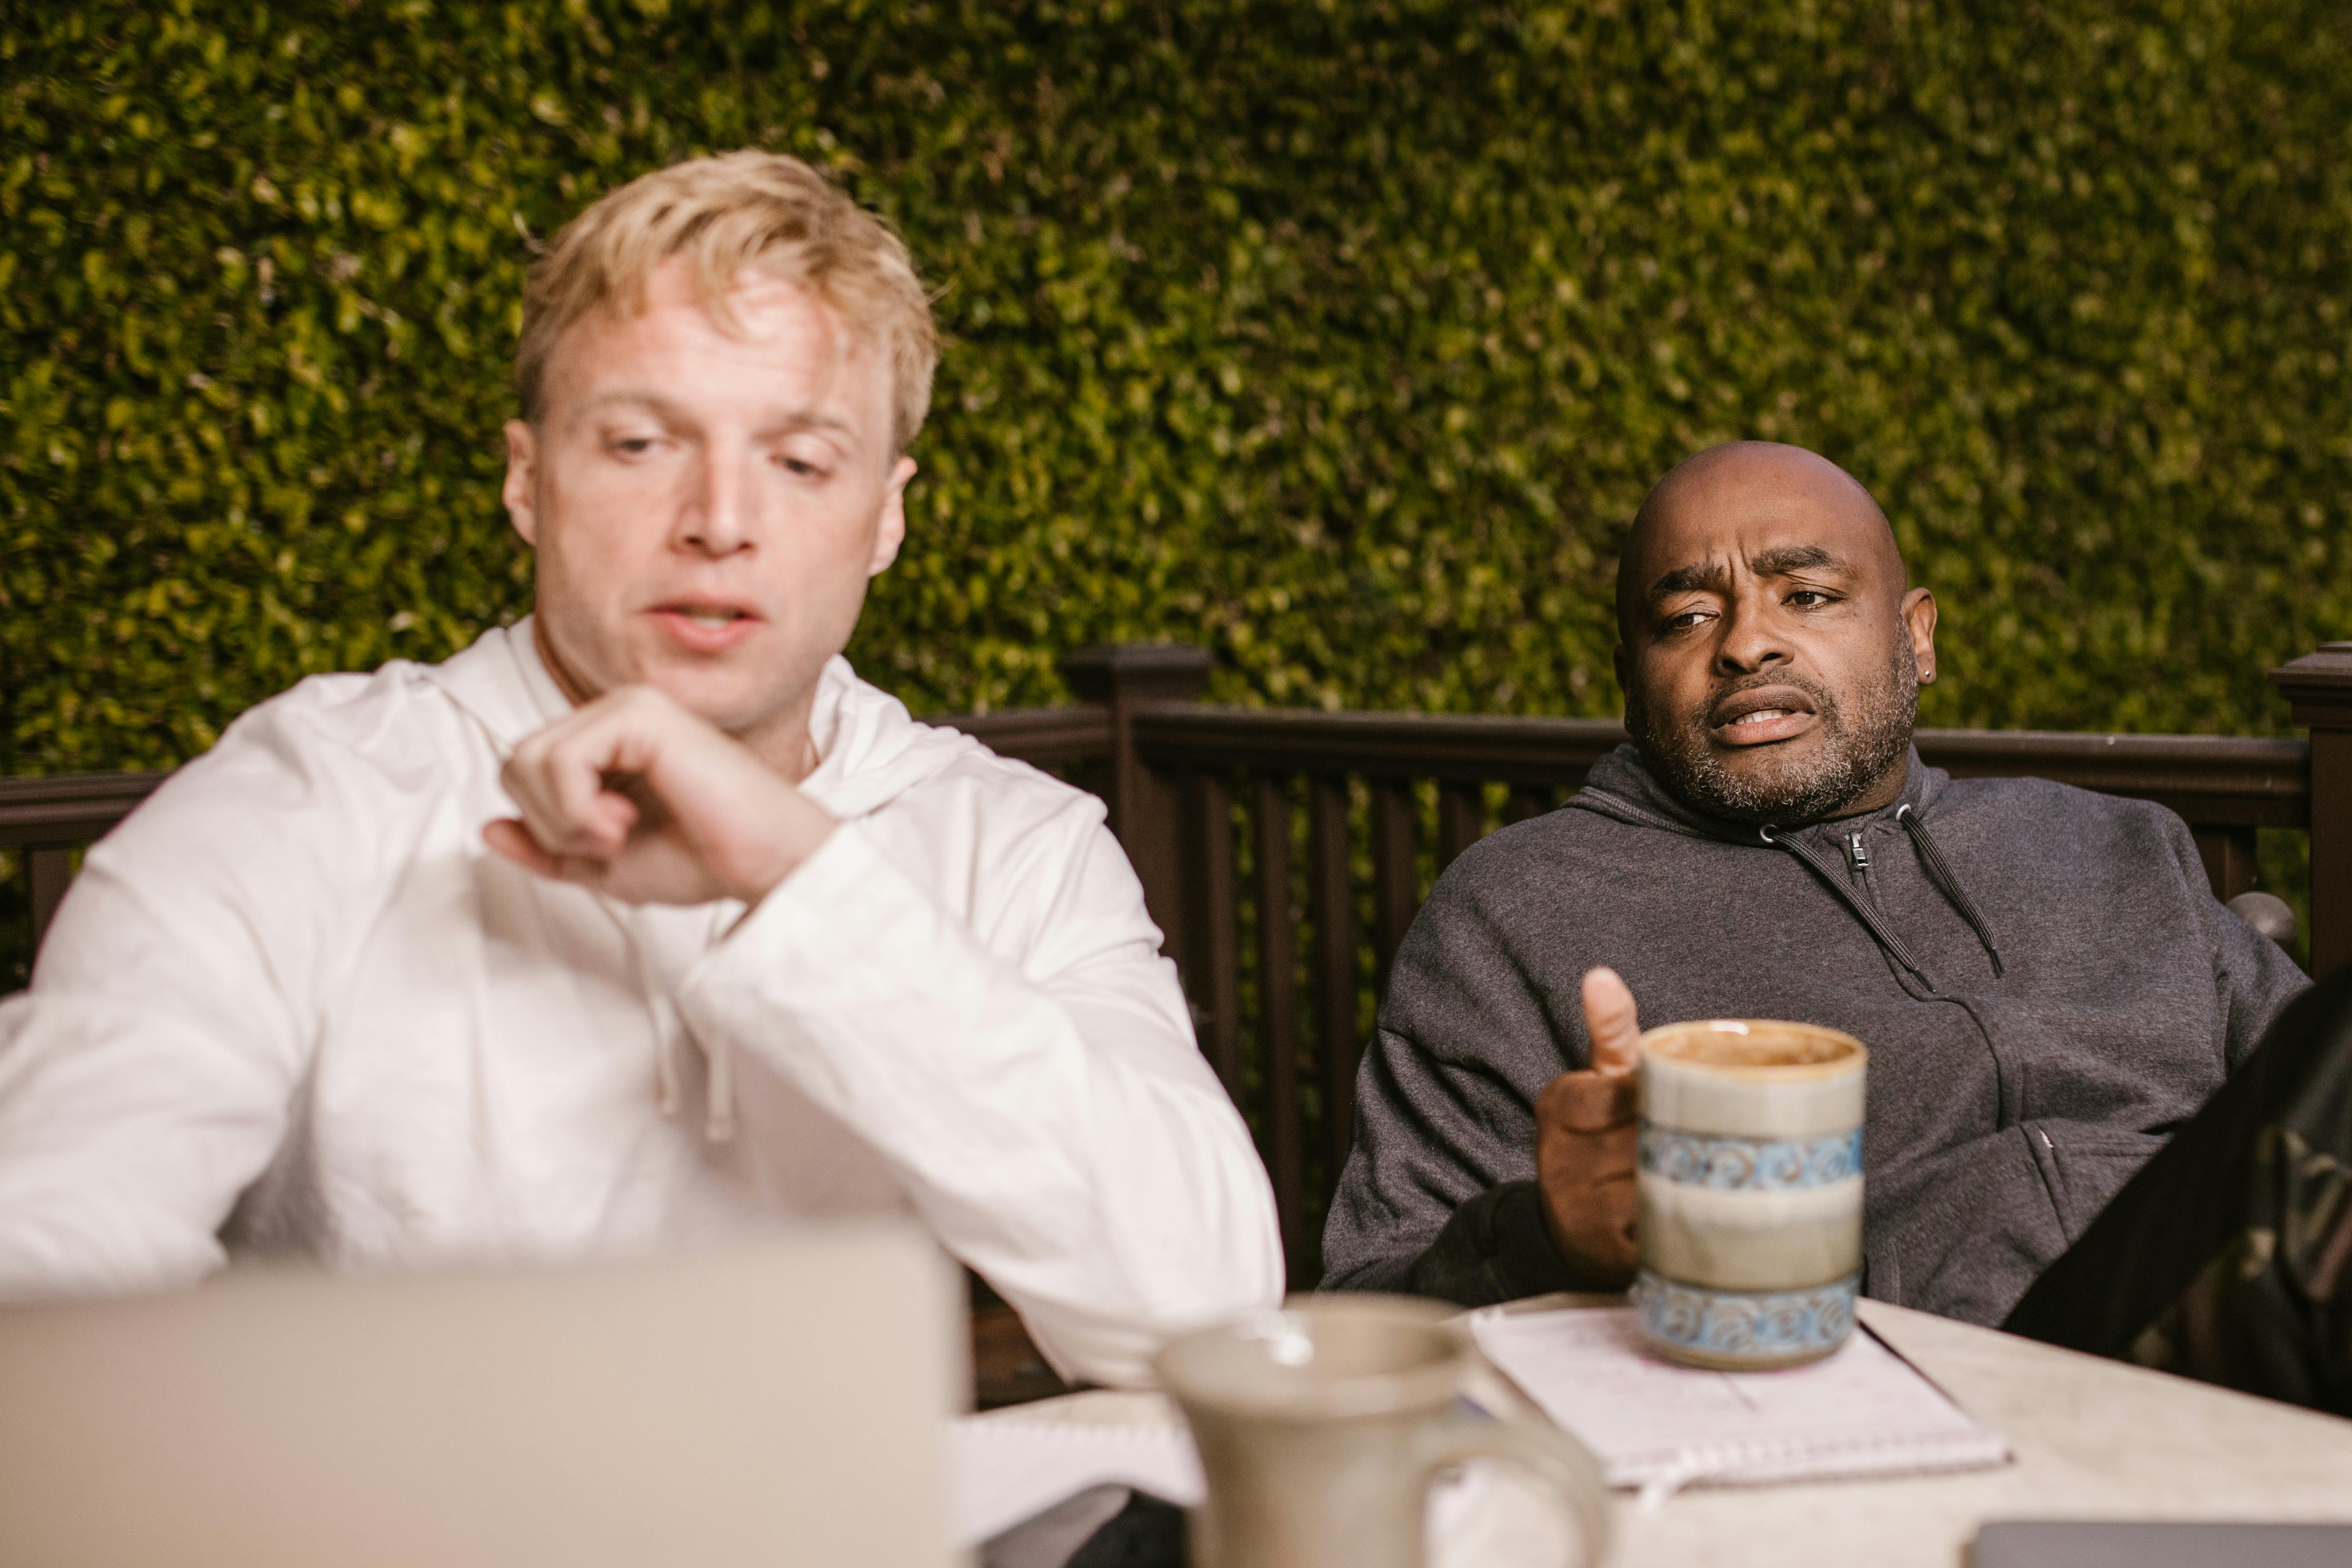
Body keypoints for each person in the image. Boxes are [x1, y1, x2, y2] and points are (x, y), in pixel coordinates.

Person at [0, 151, 1282, 1388]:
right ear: (527, 480)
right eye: (639, 444)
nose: (719, 521)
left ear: (887, 512)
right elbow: (42, 1274)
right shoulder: (303, 801)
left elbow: (1207, 1314)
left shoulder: (1013, 844)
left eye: (799, 461)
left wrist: (801, 874)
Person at [1322, 440, 2352, 1412]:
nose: (1744, 643)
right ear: (1629, 684)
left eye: (1806, 596)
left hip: (2228, 1359)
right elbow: (1368, 1311)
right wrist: (1547, 1237)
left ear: (1915, 637)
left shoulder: (2114, 845)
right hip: (1880, 1389)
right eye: (1684, 618)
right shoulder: (1518, 908)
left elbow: (2308, 1105)